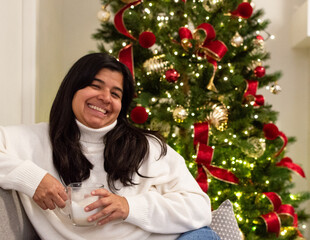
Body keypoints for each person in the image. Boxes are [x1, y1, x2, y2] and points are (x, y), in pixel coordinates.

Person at [0, 53, 220, 240]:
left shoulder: (147, 147)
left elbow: (199, 208)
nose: (105, 98)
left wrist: (129, 207)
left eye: (115, 94)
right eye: (95, 86)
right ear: (72, 90)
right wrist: (32, 179)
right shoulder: (33, 139)